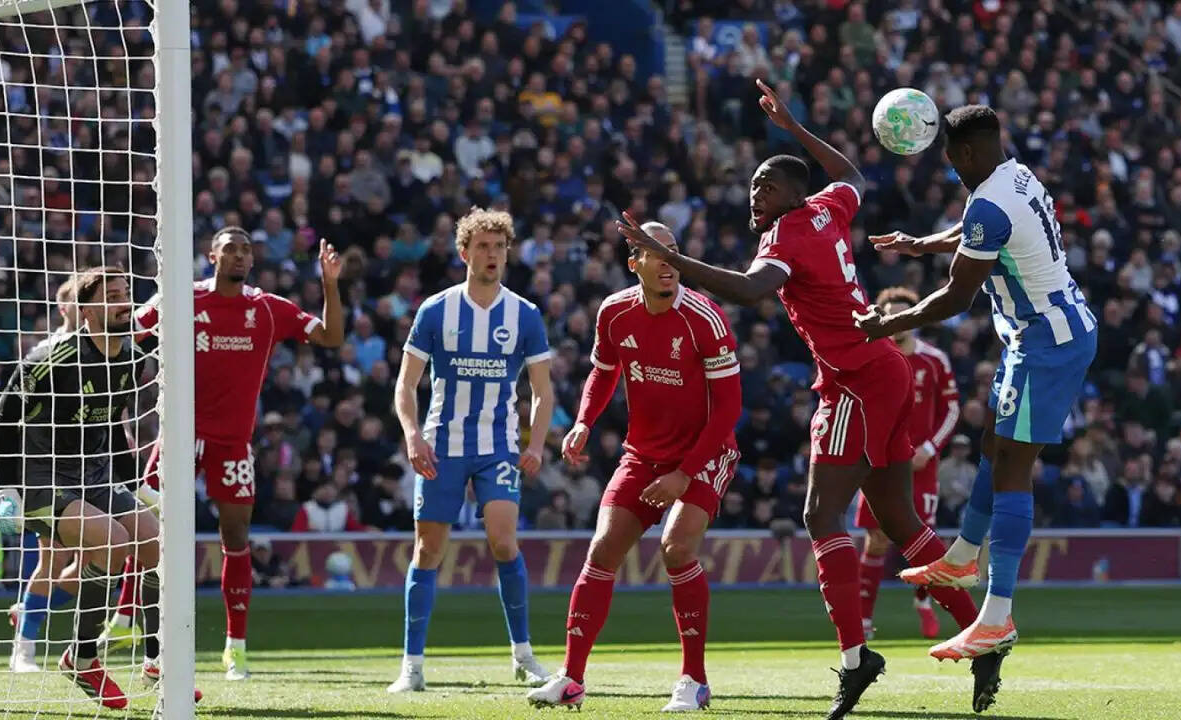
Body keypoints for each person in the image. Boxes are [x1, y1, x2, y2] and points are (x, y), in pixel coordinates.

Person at [618, 79, 980, 720]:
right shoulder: (830, 208)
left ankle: (855, 658)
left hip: (856, 380)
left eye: (767, 185)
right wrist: (792, 126)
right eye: (754, 186)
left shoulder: (786, 235)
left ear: (792, 194)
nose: (755, 195)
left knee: (820, 516)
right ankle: (981, 637)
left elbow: (753, 290)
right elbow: (849, 173)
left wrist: (669, 255)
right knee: (900, 523)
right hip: (880, 370)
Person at [856, 105, 1096, 707]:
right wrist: (920, 245)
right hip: (1034, 335)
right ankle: (963, 557)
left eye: (949, 159)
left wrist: (891, 323)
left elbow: (958, 297)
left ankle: (997, 614)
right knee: (993, 443)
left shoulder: (989, 203)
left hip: (1049, 341)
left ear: (963, 155)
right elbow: (975, 235)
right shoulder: (1014, 176)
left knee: (1013, 466)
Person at [526, 223, 742, 711]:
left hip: (705, 453)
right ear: (634, 264)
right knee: (602, 549)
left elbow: (729, 408)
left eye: (674, 253)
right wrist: (583, 422)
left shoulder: (704, 318)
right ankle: (571, 679)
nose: (668, 261)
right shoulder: (614, 312)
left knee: (676, 548)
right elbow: (603, 373)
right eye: (655, 253)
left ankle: (694, 680)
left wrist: (684, 474)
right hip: (642, 454)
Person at [125, 227, 345, 680]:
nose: (241, 257)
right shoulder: (181, 298)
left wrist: (329, 284)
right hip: (179, 438)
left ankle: (235, 647)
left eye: (247, 250)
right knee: (145, 521)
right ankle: (126, 619)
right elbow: (130, 337)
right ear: (212, 256)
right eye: (231, 249)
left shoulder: (266, 308)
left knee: (236, 537)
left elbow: (330, 337)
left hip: (232, 443)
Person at [0, 267, 199, 708]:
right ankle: (81, 657)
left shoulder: (130, 358)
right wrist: (7, 489)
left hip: (96, 478)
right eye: (113, 296)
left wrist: (136, 488)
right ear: (86, 310)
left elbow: (113, 424)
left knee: (155, 544)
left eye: (128, 293)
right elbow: (5, 415)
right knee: (112, 541)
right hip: (41, 480)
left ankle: (158, 660)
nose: (126, 302)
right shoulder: (52, 358)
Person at [390, 208, 554, 692]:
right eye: (482, 247)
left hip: (498, 446)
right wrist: (412, 434)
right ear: (464, 253)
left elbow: (542, 389)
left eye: (499, 247)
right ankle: (412, 666)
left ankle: (523, 656)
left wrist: (536, 443)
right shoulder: (436, 310)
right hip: (442, 444)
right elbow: (406, 384)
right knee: (428, 549)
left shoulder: (524, 314)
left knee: (504, 540)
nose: (492, 255)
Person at [854, 287, 960, 642]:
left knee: (921, 541)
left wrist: (929, 448)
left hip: (921, 465)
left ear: (913, 319)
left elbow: (953, 409)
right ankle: (864, 621)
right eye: (890, 315)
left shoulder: (934, 360)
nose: (896, 323)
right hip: (880, 465)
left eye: (903, 315)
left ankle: (924, 603)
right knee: (877, 540)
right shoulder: (871, 356)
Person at [5, 277, 80, 673]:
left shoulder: (102, 353)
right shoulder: (45, 355)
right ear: (66, 309)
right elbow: (11, 415)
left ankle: (29, 609)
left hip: (91, 467)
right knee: (52, 559)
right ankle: (24, 649)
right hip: (47, 470)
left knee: (104, 562)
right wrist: (13, 481)